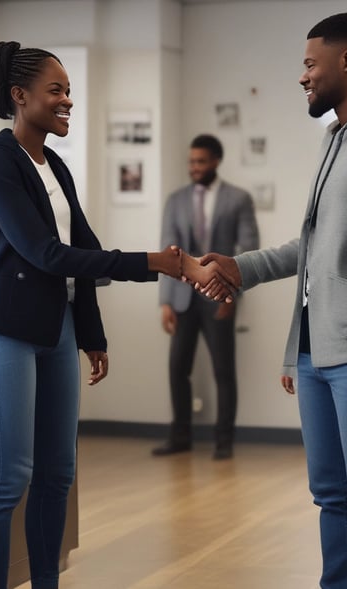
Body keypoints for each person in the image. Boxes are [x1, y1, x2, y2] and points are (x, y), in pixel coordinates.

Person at [0, 41, 223, 589]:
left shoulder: (56, 167)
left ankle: (47, 582)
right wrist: (161, 263)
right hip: (2, 324)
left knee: (58, 474)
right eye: (57, 90)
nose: (67, 100)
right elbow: (45, 255)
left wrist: (91, 332)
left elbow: (83, 250)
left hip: (56, 325)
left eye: (69, 90)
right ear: (19, 96)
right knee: (9, 478)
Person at [193, 13, 347, 589]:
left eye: (310, 64)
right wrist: (240, 269)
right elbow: (311, 248)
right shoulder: (338, 137)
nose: (302, 77)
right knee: (331, 496)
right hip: (317, 353)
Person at [153, 134, 259, 460]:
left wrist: (233, 296)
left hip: (219, 298)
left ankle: (224, 440)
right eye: (191, 162)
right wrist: (165, 302)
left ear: (215, 161)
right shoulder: (175, 200)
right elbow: (167, 253)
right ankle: (180, 436)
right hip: (183, 298)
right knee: (177, 369)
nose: (194, 167)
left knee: (223, 371)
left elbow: (248, 250)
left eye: (200, 161)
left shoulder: (238, 199)